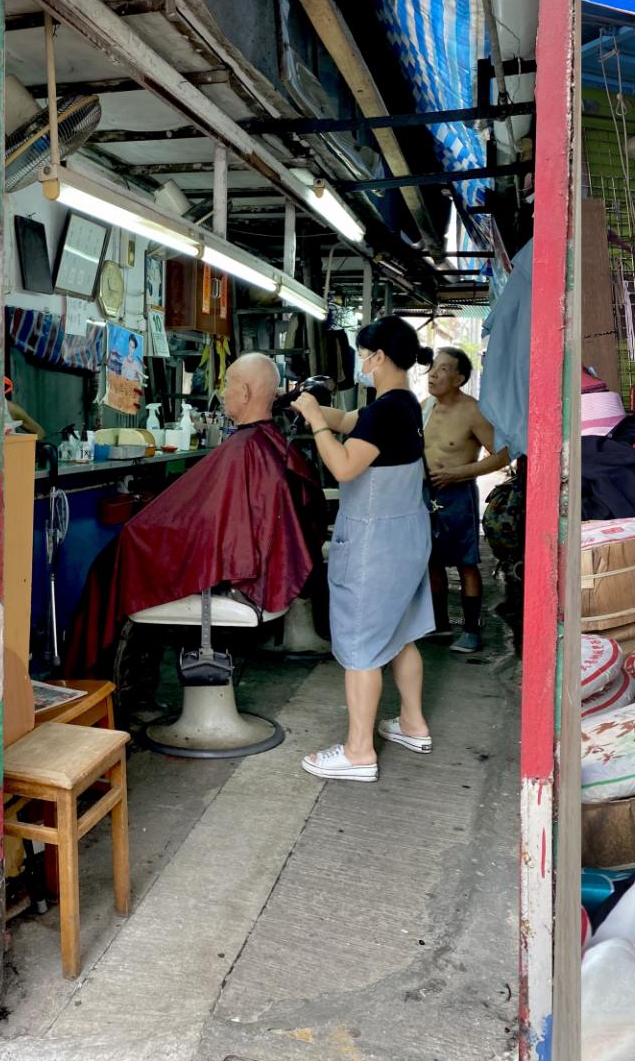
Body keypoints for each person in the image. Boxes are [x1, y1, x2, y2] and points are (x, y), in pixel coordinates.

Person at [62, 352, 324, 687]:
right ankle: (127, 677)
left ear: (244, 393)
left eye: (227, 385)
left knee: (111, 565)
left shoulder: (245, 448)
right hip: (266, 574)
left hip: (244, 582)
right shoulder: (266, 443)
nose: (223, 393)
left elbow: (212, 527)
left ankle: (86, 680)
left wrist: (140, 531)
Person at [287, 316, 437, 782]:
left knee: (360, 648)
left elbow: (345, 466)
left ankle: (358, 752)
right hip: (407, 539)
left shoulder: (384, 412)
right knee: (400, 633)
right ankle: (413, 724)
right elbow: (350, 422)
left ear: (377, 357)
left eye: (362, 353)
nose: (360, 362)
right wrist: (312, 408)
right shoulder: (403, 405)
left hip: (376, 545)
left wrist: (314, 423)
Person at [424, 346, 511, 653]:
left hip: (458, 494)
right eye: (433, 367)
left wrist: (459, 473)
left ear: (459, 378)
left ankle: (471, 631)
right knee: (430, 559)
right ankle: (438, 624)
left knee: (466, 562)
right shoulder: (425, 408)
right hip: (427, 494)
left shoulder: (473, 411)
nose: (434, 373)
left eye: (443, 369)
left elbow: (503, 455)